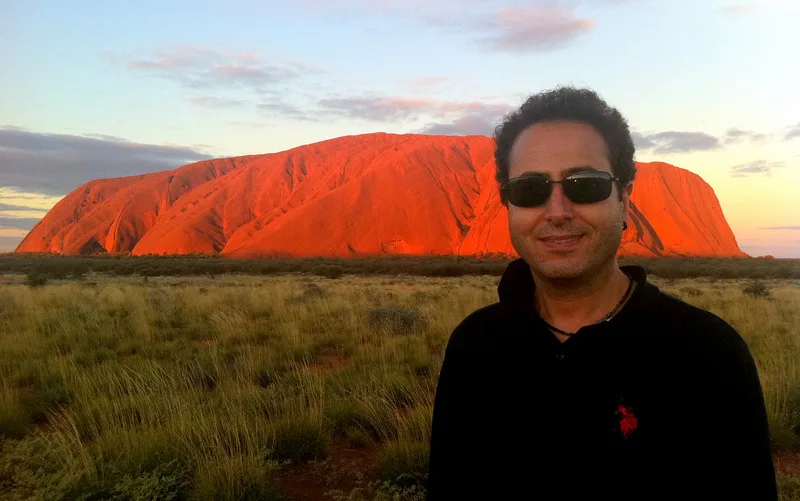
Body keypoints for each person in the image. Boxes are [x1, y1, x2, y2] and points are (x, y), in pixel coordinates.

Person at [426, 86, 777, 500]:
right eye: (530, 189)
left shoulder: (706, 353)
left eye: (586, 185)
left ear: (625, 197)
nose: (557, 211)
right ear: (508, 205)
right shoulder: (476, 344)